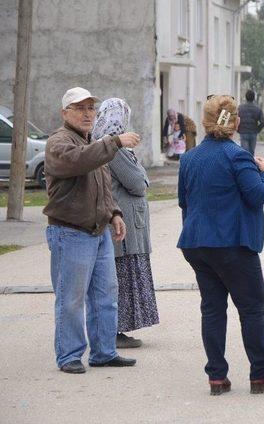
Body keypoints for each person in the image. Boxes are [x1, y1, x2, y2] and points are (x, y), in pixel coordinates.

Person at [178, 95, 264, 396]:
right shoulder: (238, 156)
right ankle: (261, 373)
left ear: (206, 121)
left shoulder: (189, 158)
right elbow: (256, 195)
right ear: (236, 122)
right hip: (232, 244)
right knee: (252, 308)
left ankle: (217, 376)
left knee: (212, 309)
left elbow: (183, 202)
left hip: (197, 245)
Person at [43, 87, 140, 373]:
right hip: (70, 232)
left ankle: (104, 352)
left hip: (98, 232)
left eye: (91, 108)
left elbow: (103, 184)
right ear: (65, 113)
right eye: (80, 108)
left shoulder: (91, 142)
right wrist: (114, 142)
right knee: (71, 299)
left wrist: (114, 214)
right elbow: (79, 161)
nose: (87, 114)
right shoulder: (59, 142)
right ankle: (69, 356)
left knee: (105, 295)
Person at [92, 98, 160, 349]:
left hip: (127, 221)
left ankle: (117, 331)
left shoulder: (106, 146)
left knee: (122, 277)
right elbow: (137, 183)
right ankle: (115, 332)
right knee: (122, 278)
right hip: (125, 224)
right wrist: (142, 175)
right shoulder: (116, 149)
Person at [238, 89, 264, 156]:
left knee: (244, 152)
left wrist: (238, 129)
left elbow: (236, 119)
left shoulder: (240, 108)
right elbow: (263, 121)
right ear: (254, 98)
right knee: (251, 152)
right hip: (253, 132)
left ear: (246, 97)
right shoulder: (257, 109)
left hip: (243, 131)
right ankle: (251, 164)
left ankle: (245, 164)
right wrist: (257, 130)